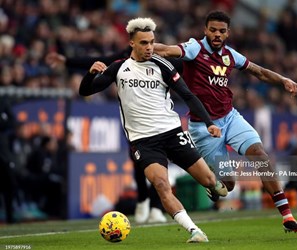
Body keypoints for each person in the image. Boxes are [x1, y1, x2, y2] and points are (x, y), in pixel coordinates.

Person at [154, 10, 297, 232]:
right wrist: (147, 48)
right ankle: (212, 184)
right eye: (213, 30)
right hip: (203, 126)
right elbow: (169, 51)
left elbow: (260, 72)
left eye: (221, 31)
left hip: (230, 117)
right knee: (229, 185)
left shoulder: (230, 55)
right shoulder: (195, 48)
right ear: (205, 30)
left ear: (227, 33)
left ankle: (287, 217)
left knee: (260, 155)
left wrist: (283, 80)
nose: (217, 34)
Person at [79, 17, 228, 243]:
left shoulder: (163, 65)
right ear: (132, 43)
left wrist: (209, 123)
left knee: (208, 180)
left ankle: (211, 185)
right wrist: (90, 73)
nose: (149, 47)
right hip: (143, 141)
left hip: (172, 132)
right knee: (160, 184)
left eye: (151, 42)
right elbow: (86, 91)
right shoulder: (119, 68)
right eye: (143, 43)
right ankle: (194, 231)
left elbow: (188, 95)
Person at [45, 50, 183, 223]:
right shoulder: (125, 57)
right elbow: (99, 61)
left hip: (158, 120)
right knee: (138, 162)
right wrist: (67, 60)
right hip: (135, 123)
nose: (147, 45)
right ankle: (142, 200)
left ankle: (155, 207)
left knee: (161, 164)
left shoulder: (158, 59)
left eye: (149, 39)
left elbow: (185, 64)